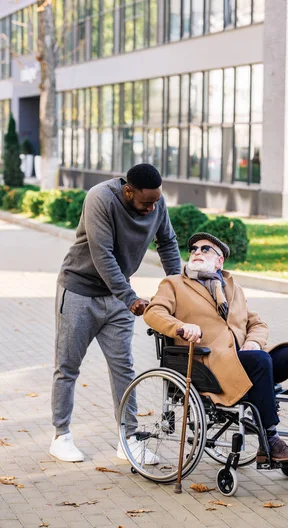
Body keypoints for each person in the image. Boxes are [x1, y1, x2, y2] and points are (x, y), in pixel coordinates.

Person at [144, 232, 288, 463]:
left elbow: (257, 323)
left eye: (205, 249)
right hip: (210, 363)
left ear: (220, 261)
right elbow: (154, 312)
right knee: (260, 361)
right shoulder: (174, 284)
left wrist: (253, 342)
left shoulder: (232, 288)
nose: (197, 252)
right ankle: (269, 440)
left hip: (242, 357)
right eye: (194, 249)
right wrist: (180, 326)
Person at [50, 164, 182, 463]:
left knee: (123, 368)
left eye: (156, 202)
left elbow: (168, 243)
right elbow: (102, 253)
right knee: (67, 367)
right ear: (127, 190)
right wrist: (130, 297)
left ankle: (129, 439)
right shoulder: (100, 198)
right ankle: (61, 436)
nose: (151, 208)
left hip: (117, 297)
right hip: (79, 292)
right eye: (145, 203)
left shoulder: (156, 203)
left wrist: (179, 289)